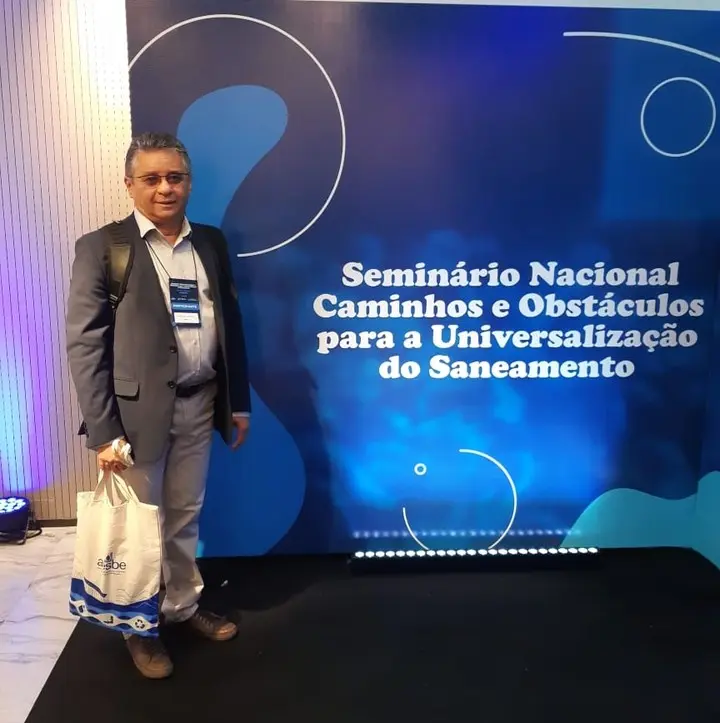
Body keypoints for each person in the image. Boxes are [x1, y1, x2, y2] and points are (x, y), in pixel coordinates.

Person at [66, 131, 251, 679]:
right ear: (129, 185)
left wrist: (237, 401)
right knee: (138, 528)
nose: (165, 188)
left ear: (189, 182)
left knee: (185, 515)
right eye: (151, 178)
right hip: (133, 421)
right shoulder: (104, 247)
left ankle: (182, 606)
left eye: (175, 177)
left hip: (201, 403)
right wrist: (103, 430)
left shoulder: (210, 243)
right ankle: (138, 629)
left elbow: (231, 325)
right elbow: (85, 345)